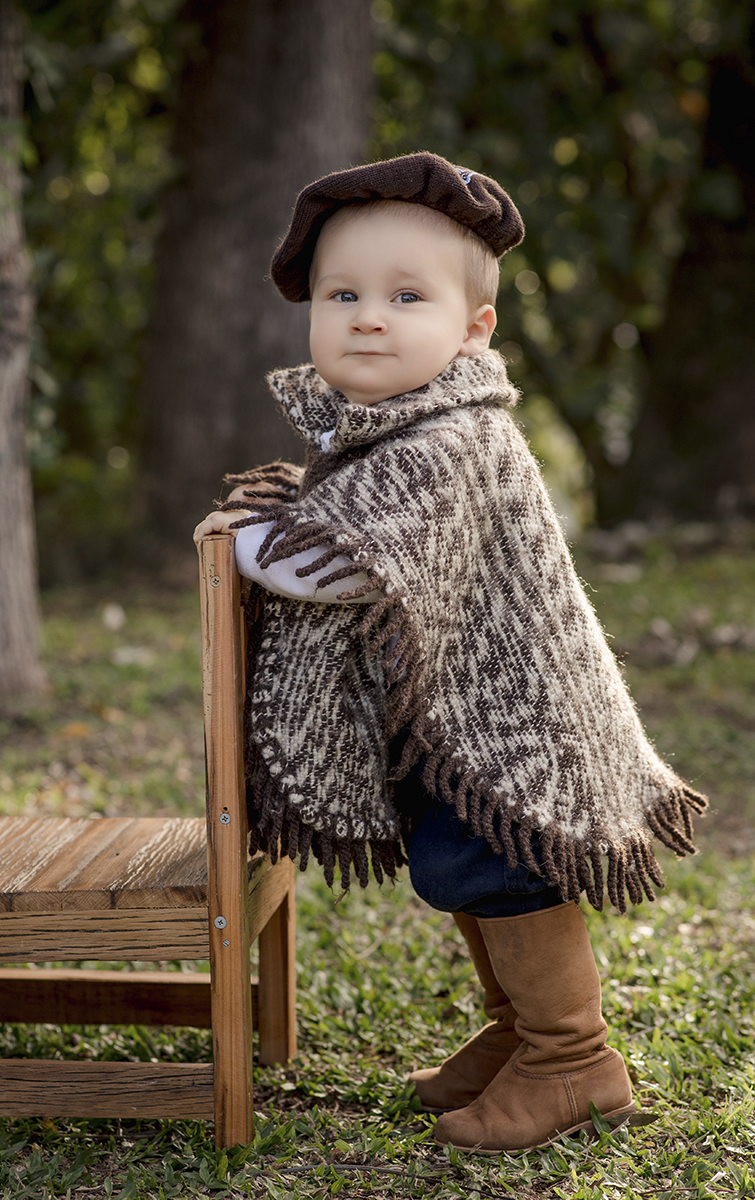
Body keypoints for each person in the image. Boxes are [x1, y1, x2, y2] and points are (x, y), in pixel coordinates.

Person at [193, 152, 706, 1154]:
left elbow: (345, 566)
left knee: (495, 864)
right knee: (456, 864)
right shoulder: (382, 435)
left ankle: (572, 1057)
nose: (366, 316)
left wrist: (239, 539)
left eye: (403, 295)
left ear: (472, 328)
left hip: (510, 726)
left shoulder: (452, 437)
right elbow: (346, 526)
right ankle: (522, 1031)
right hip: (453, 720)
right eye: (341, 294)